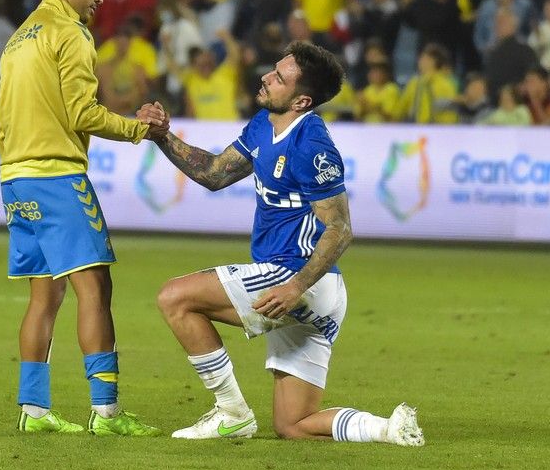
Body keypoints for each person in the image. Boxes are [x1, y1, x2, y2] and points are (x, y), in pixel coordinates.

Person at [138, 41, 424, 445]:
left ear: (302, 100)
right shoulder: (263, 124)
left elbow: (340, 229)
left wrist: (295, 286)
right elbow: (215, 174)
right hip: (311, 291)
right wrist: (164, 137)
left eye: (279, 78)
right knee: (294, 424)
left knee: (175, 298)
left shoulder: (312, 145)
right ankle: (388, 428)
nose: (266, 78)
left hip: (297, 278)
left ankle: (231, 411)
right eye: (273, 70)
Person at [0, 0, 164, 437]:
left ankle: (34, 410)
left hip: (16, 178)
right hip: (55, 175)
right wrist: (137, 130)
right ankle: (106, 412)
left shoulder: (18, 39)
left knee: (44, 295)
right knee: (95, 288)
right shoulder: (69, 34)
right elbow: (82, 113)